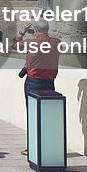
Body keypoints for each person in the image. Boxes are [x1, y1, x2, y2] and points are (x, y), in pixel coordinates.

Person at [13, 19, 61, 156]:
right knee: (48, 115)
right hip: (50, 82)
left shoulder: (31, 43)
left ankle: (32, 147)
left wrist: (21, 32)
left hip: (33, 82)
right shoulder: (56, 42)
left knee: (33, 115)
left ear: (35, 30)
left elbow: (15, 45)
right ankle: (48, 145)